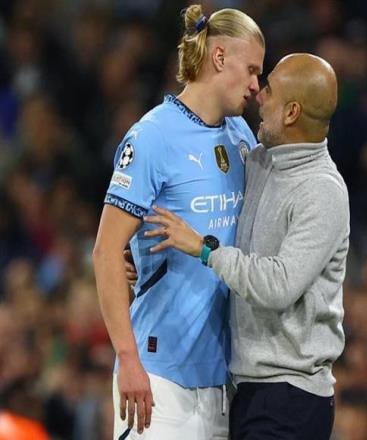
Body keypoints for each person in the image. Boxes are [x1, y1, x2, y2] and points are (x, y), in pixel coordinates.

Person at [143, 53, 350, 440]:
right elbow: (213, 215)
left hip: (291, 396)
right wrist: (143, 258)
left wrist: (204, 250)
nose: (259, 95)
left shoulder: (322, 191)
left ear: (291, 112)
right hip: (247, 389)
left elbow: (278, 285)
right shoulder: (259, 161)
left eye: (268, 89)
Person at [92, 4, 264, 439]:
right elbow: (106, 251)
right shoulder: (152, 136)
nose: (255, 85)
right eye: (251, 70)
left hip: (222, 383)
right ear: (219, 57)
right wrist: (128, 360)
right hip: (157, 380)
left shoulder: (241, 136)